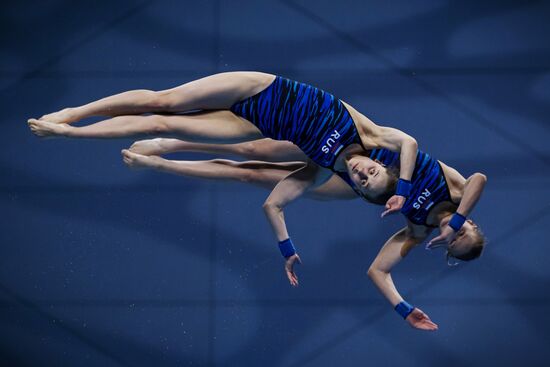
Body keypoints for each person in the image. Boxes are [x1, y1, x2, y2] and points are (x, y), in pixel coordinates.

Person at [28, 71, 418, 265]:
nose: (363, 174)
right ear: (378, 162)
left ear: (357, 188)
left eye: (364, 184)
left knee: (161, 124)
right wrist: (402, 185)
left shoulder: (319, 168)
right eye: (373, 172)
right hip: (260, 88)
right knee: (164, 102)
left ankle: (67, 135)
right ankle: (71, 114)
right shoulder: (372, 135)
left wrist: (286, 249)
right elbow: (410, 144)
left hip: (254, 123)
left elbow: (274, 203)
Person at [119, 137, 487, 331]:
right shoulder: (456, 192)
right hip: (357, 148)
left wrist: (404, 310)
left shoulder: (419, 230)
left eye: (454, 243)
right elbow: (479, 180)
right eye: (463, 230)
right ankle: (171, 142)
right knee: (251, 147)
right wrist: (456, 219)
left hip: (351, 181)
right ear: (470, 222)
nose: (454, 233)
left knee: (252, 173)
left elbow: (378, 271)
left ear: (447, 251)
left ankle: (160, 161)